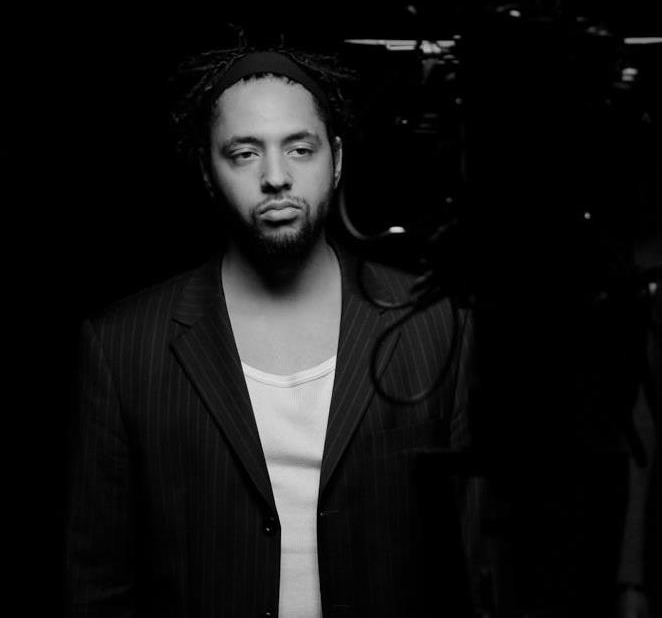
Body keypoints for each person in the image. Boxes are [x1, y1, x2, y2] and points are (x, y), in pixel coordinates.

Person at [64, 43, 474, 617]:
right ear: (207, 171)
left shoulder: (436, 322)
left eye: (299, 149)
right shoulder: (123, 346)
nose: (276, 177)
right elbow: (97, 586)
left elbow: (476, 560)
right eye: (244, 153)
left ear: (336, 159)